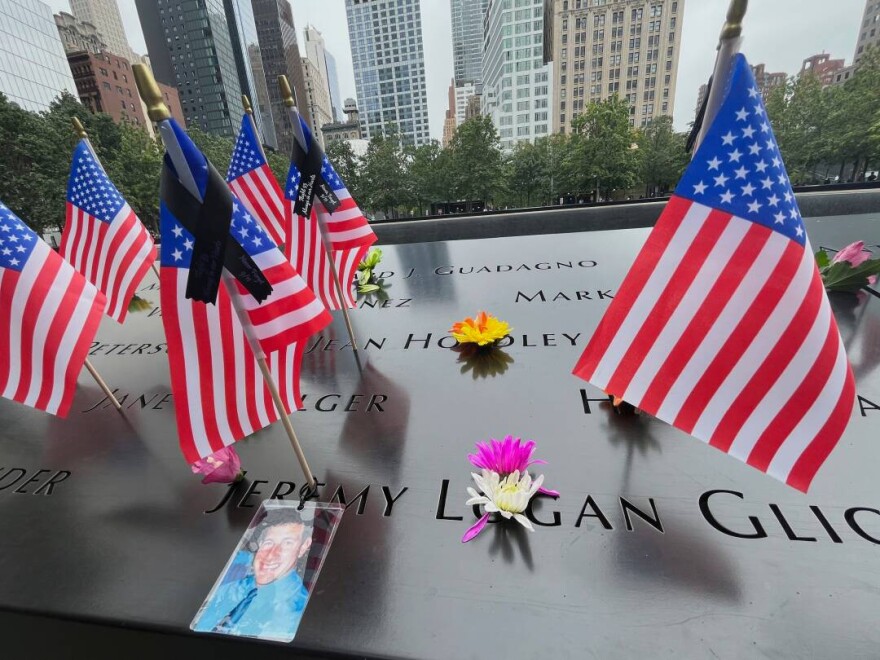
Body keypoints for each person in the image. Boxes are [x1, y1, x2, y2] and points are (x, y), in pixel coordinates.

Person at [192, 514, 312, 640]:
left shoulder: (296, 610)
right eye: (268, 542)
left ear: (304, 546)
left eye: (287, 543)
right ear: (260, 543)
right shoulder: (233, 587)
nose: (271, 555)